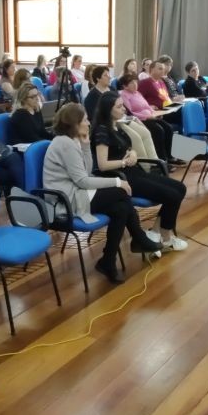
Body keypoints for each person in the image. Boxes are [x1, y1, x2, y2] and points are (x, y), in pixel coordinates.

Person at [43, 104, 163, 284]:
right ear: (74, 123)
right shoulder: (64, 143)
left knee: (121, 208)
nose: (88, 123)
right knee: (120, 192)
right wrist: (117, 182)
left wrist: (85, 145)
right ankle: (137, 238)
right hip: (67, 199)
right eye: (84, 120)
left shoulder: (73, 140)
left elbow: (88, 171)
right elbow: (83, 180)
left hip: (78, 191)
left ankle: (108, 260)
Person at [91, 93, 187, 250]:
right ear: (108, 110)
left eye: (123, 105)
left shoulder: (117, 125)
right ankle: (166, 235)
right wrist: (124, 161)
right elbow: (102, 165)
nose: (123, 109)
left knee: (180, 188)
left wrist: (133, 153)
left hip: (133, 171)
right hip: (121, 177)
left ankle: (156, 231)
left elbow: (127, 147)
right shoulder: (102, 130)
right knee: (172, 195)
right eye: (119, 106)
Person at [118, 74, 177, 163]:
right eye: (131, 82)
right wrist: (147, 116)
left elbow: (147, 106)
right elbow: (130, 113)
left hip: (150, 117)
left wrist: (154, 114)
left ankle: (171, 156)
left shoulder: (137, 93)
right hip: (140, 120)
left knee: (168, 128)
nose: (135, 84)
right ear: (124, 86)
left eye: (135, 81)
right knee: (158, 130)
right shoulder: (123, 95)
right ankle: (162, 160)